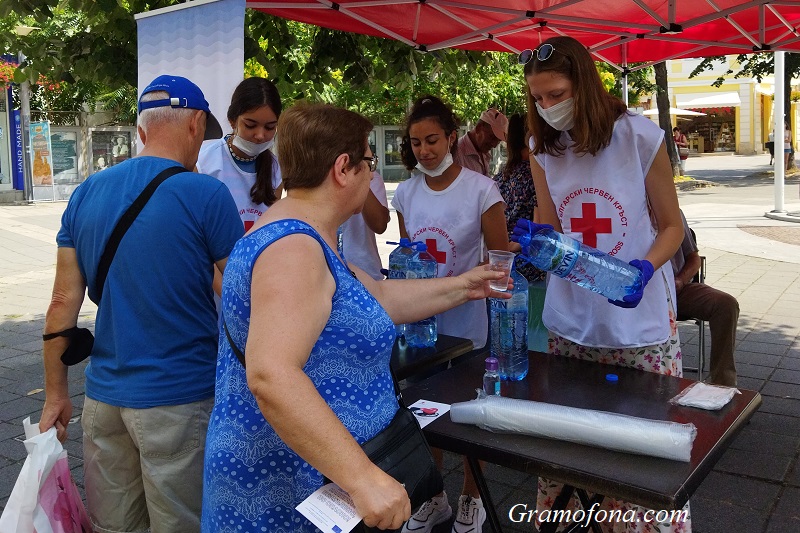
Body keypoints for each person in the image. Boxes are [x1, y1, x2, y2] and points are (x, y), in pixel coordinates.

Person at [200, 102, 509, 532]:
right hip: (291, 492)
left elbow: (375, 295)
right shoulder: (294, 251)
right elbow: (271, 375)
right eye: (369, 162)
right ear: (343, 168)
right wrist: (362, 478)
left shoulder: (304, 234)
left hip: (311, 480)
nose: (372, 174)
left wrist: (466, 286)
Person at [39, 74, 243, 533]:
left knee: (114, 527)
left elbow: (61, 303)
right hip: (180, 399)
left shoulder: (87, 192)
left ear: (141, 130)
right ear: (195, 124)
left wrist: (56, 394)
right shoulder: (206, 194)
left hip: (104, 400)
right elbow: (241, 292)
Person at [520, 36, 686, 532]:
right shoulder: (542, 148)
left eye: (556, 94)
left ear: (585, 86)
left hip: (638, 322)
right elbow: (552, 226)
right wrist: (539, 242)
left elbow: (671, 226)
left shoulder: (638, 136)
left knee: (643, 450)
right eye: (538, 98)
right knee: (572, 447)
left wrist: (644, 269)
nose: (547, 107)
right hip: (571, 320)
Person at [392, 95, 508, 533]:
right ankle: (432, 497)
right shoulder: (406, 192)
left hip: (468, 325)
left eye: (432, 140)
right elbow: (409, 259)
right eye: (416, 142)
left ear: (452, 137)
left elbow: (498, 261)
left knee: (471, 416)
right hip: (424, 326)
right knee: (423, 413)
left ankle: (471, 499)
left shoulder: (481, 190)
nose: (424, 150)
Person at [197, 77, 282, 233]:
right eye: (250, 125)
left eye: (270, 127)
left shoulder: (276, 170)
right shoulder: (204, 162)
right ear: (232, 121)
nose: (260, 135)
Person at [492, 113, 548, 351]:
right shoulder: (536, 176)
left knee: (508, 335)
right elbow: (539, 225)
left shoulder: (500, 176)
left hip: (503, 267)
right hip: (530, 267)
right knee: (534, 336)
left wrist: (502, 251)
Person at [672, 210, 739, 387]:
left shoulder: (674, 212)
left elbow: (694, 259)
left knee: (725, 304)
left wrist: (681, 280)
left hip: (676, 289)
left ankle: (723, 384)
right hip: (638, 292)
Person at [340, 170, 391, 279]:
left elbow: (379, 225)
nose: (370, 174)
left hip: (364, 270)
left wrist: (361, 178)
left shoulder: (370, 177)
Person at [454, 107, 508, 177]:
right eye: (492, 137)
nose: (494, 145)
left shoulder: (483, 153)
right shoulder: (456, 154)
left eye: (498, 141)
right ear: (478, 128)